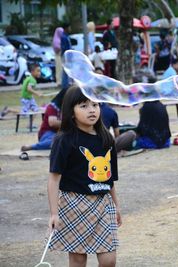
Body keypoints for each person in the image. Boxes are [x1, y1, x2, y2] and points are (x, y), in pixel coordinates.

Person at [47, 85, 121, 267]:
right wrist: (54, 213)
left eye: (95, 105)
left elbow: (109, 178)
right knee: (78, 260)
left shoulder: (107, 139)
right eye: (84, 106)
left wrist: (116, 206)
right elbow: (54, 179)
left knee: (109, 260)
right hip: (74, 204)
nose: (91, 110)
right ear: (71, 112)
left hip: (103, 204)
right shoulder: (64, 140)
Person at [60, 22, 72, 90]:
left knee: (67, 70)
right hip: (66, 56)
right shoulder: (64, 37)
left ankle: (66, 84)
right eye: (69, 27)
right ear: (66, 28)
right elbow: (64, 47)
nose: (70, 29)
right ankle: (64, 86)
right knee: (65, 70)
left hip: (68, 55)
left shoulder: (67, 36)